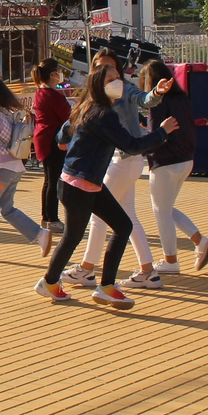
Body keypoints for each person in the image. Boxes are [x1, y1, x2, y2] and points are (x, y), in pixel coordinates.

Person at [38, 60, 175, 306]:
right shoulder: (103, 114)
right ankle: (56, 282)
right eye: (111, 79)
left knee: (119, 226)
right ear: (99, 86)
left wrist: (63, 141)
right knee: (77, 235)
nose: (117, 82)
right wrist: (162, 132)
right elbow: (132, 145)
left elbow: (63, 132)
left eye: (118, 77)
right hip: (79, 185)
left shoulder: (87, 107)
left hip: (81, 182)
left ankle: (100, 285)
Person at [137, 60, 208, 273]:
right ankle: (199, 241)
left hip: (165, 161)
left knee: (161, 212)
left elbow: (157, 135)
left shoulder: (157, 102)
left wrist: (139, 148)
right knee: (166, 208)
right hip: (186, 159)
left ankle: (171, 260)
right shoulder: (182, 98)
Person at [0, 77, 52, 262]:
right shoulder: (9, 113)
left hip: (0, 168)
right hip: (16, 166)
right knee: (6, 208)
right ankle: (39, 234)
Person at [31, 58, 71, 230]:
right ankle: (52, 219)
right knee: (54, 180)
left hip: (43, 138)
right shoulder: (53, 95)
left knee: (49, 180)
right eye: (59, 71)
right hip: (53, 139)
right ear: (54, 74)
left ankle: (47, 217)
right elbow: (68, 117)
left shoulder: (40, 92)